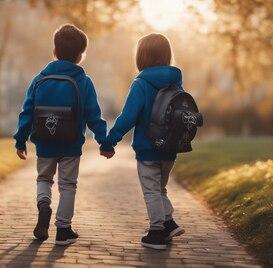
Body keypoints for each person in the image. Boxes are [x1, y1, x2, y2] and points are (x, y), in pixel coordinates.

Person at [13, 24, 115, 246]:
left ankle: (43, 205)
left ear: (54, 51)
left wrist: (20, 139)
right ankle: (63, 229)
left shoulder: (39, 80)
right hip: (71, 145)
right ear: (80, 56)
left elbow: (27, 112)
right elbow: (93, 115)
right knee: (68, 185)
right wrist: (104, 142)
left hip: (45, 143)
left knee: (44, 179)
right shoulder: (84, 82)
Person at [105, 33, 185, 250]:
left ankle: (157, 232)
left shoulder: (141, 84)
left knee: (151, 191)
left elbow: (128, 116)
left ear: (141, 57)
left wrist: (110, 141)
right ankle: (169, 223)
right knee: (160, 189)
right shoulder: (175, 82)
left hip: (148, 149)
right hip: (169, 149)